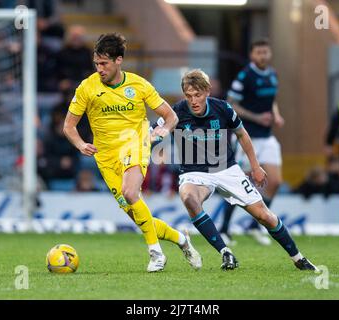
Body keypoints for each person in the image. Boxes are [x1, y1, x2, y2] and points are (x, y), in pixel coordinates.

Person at [63, 33, 201, 272]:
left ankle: (155, 253)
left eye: (104, 63)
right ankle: (181, 239)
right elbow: (68, 126)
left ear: (119, 60)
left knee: (130, 192)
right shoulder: (87, 87)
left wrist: (161, 132)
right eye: (96, 63)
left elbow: (171, 116)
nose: (99, 69)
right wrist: (80, 144)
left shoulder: (139, 85)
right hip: (105, 157)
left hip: (134, 144)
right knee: (136, 214)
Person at [161, 69, 317, 271]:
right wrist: (150, 137)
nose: (193, 101)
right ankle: (225, 252)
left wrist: (255, 166)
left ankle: (298, 258)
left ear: (208, 91)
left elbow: (242, 135)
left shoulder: (223, 108)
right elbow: (158, 128)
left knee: (264, 216)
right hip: (194, 171)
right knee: (189, 199)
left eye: (198, 95)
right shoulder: (177, 112)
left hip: (226, 168)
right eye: (189, 96)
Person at [219, 39, 284, 246]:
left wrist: (277, 114)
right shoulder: (244, 76)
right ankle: (225, 229)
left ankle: (255, 226)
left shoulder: (272, 74)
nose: (263, 56)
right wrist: (257, 118)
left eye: (266, 52)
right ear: (252, 55)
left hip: (267, 137)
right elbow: (231, 104)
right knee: (239, 183)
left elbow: (271, 99)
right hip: (246, 136)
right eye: (259, 52)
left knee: (274, 182)